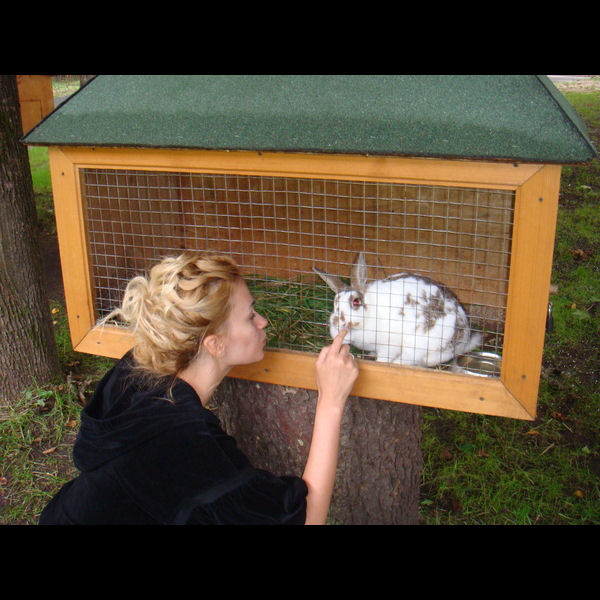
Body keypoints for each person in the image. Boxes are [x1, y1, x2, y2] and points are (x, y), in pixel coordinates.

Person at [39, 252, 358, 525]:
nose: (263, 321)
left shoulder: (137, 368)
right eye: (250, 316)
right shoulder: (189, 446)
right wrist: (331, 401)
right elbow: (306, 520)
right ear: (215, 344)